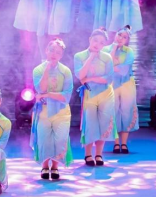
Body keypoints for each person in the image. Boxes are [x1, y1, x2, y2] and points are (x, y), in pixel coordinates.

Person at [30, 38, 74, 180]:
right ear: (46, 51)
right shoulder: (38, 70)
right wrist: (47, 69)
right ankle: (44, 166)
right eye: (52, 50)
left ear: (61, 55)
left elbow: (66, 96)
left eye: (58, 52)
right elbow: (40, 89)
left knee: (59, 140)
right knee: (44, 140)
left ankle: (55, 166)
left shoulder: (65, 71)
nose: (54, 54)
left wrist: (47, 95)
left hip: (61, 112)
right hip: (43, 111)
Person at [74, 28, 115, 166]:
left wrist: (91, 78)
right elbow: (80, 75)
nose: (98, 44)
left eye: (102, 43)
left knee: (103, 123)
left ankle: (98, 154)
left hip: (106, 94)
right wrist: (91, 57)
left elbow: (109, 78)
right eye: (95, 40)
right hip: (90, 93)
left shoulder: (107, 57)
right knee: (90, 124)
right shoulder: (79, 56)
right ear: (90, 39)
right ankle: (88, 155)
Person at [104, 25, 138, 153]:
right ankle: (116, 143)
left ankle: (124, 143)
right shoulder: (106, 49)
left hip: (126, 83)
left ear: (127, 40)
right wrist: (113, 49)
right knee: (113, 111)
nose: (121, 38)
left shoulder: (129, 51)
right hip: (111, 84)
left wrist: (112, 68)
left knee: (126, 111)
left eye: (125, 37)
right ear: (115, 34)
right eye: (119, 35)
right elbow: (106, 66)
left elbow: (124, 69)